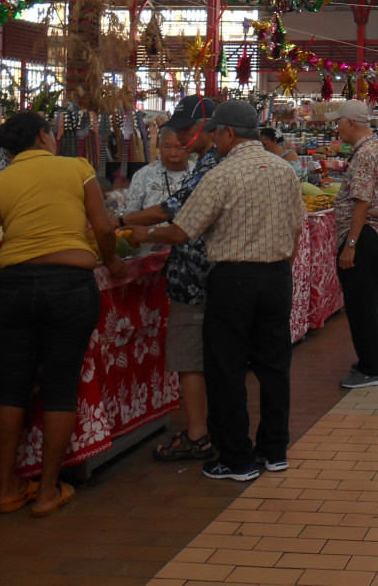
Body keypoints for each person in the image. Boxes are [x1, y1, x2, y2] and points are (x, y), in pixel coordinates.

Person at [144, 100, 305, 482]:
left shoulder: (221, 175)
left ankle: (238, 460)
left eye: (215, 132)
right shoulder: (285, 171)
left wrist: (143, 233)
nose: (212, 139)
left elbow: (182, 231)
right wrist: (282, 264)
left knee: (227, 370)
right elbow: (297, 227)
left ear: (229, 133)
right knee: (274, 368)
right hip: (277, 276)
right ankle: (274, 450)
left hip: (233, 281)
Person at [0, 111, 125, 517]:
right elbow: (105, 229)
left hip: (14, 290)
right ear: (44, 135)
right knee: (60, 387)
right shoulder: (77, 168)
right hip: (70, 288)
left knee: (11, 388)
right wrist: (110, 262)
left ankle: (7, 489)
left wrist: (12, 271)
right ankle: (46, 493)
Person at [120, 95, 220, 464]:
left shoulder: (210, 166)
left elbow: (176, 219)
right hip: (212, 276)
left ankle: (198, 435)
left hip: (194, 278)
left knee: (190, 358)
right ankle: (212, 429)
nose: (179, 141)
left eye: (185, 132)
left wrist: (126, 227)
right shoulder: (217, 163)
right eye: (171, 137)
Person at [331, 100, 378, 389]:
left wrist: (351, 245)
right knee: (364, 302)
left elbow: (362, 202)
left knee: (361, 305)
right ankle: (369, 360)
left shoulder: (365, 154)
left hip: (365, 234)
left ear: (351, 123)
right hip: (372, 234)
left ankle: (374, 368)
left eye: (339, 121)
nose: (336, 127)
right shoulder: (374, 148)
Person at [121, 127, 193, 214]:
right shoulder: (143, 175)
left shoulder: (200, 173)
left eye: (179, 148)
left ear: (190, 149)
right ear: (159, 147)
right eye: (167, 147)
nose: (172, 153)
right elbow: (128, 214)